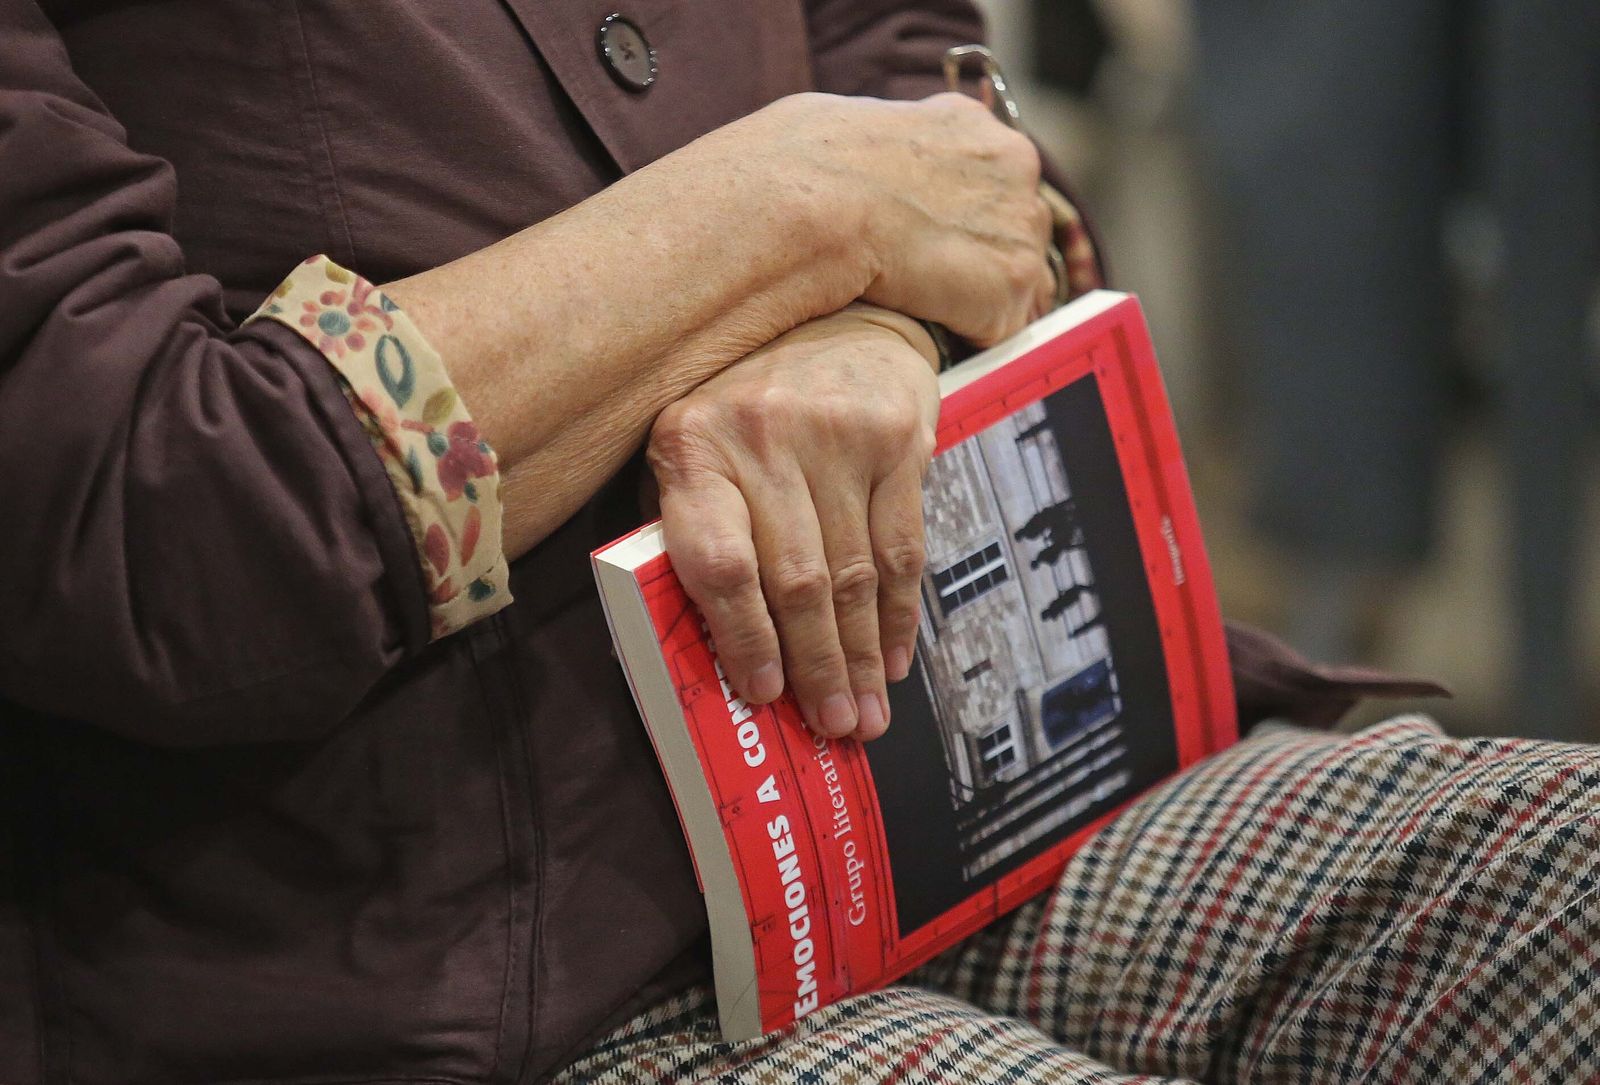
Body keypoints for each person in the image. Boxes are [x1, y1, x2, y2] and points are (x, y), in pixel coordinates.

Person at [0, 3, 1593, 1084]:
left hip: (969, 765)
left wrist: (884, 321)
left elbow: (915, 68)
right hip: (468, 964)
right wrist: (800, 218)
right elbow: (152, 519)